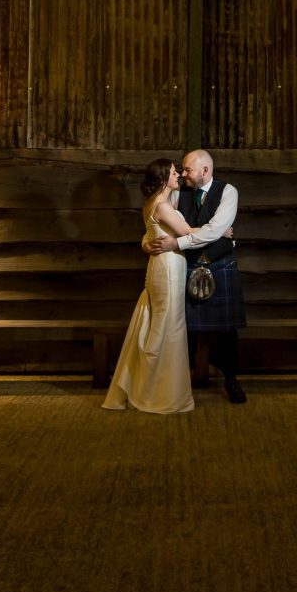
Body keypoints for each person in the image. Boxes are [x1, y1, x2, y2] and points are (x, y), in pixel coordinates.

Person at [146, 149, 247, 404]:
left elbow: (214, 231)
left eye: (188, 170)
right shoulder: (179, 193)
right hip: (187, 267)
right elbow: (159, 225)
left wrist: (177, 244)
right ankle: (181, 381)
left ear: (205, 170)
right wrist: (149, 244)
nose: (182, 174)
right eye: (180, 170)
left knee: (227, 330)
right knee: (184, 328)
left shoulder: (228, 191)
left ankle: (231, 379)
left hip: (221, 264)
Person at [102, 159, 197, 414]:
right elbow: (187, 232)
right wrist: (220, 230)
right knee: (169, 324)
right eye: (175, 172)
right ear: (165, 178)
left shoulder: (153, 202)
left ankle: (149, 385)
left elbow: (151, 234)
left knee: (160, 321)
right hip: (167, 268)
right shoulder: (163, 205)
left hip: (161, 265)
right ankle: (158, 393)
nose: (179, 175)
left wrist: (146, 243)